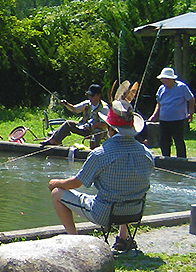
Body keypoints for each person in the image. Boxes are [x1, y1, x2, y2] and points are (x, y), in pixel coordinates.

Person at [48, 99, 153, 252]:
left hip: (105, 214)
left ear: (110, 128)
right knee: (126, 188)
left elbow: (77, 182)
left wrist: (57, 182)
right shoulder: (146, 153)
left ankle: (75, 241)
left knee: (57, 193)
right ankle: (123, 238)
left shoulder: (101, 153)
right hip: (136, 212)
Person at [39, 84, 109, 147]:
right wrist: (66, 104)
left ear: (98, 95)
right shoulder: (87, 103)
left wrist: (92, 126)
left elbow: (105, 124)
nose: (90, 97)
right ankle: (54, 141)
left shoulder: (104, 107)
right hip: (83, 127)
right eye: (89, 95)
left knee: (97, 132)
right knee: (68, 124)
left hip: (97, 131)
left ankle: (94, 150)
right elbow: (75, 109)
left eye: (92, 95)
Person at [148, 67, 194, 158]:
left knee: (178, 140)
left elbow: (191, 99)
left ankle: (181, 160)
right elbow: (159, 103)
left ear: (171, 79)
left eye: (164, 79)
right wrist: (155, 115)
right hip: (164, 119)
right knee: (164, 140)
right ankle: (166, 158)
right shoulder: (161, 89)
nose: (162, 81)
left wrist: (191, 112)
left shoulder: (182, 87)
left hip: (178, 119)